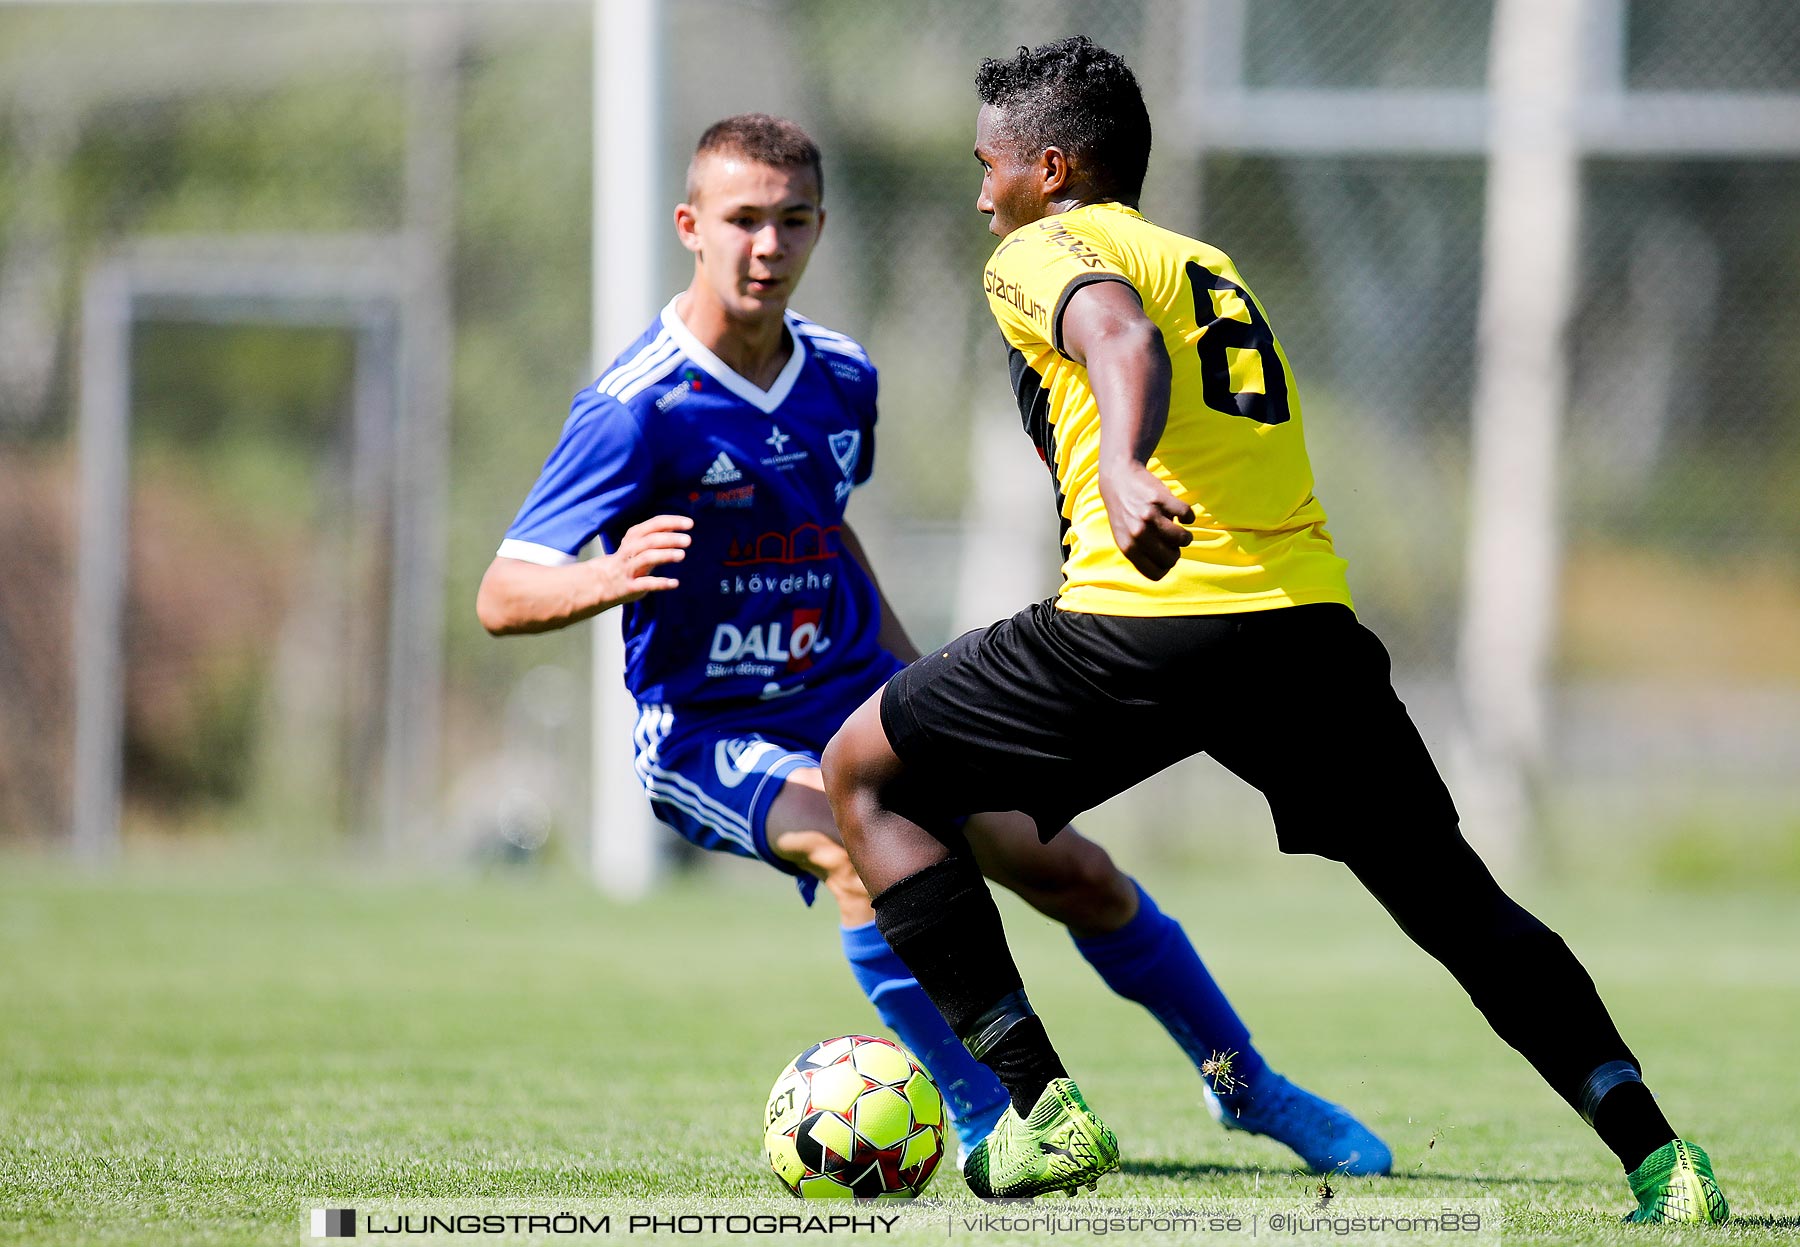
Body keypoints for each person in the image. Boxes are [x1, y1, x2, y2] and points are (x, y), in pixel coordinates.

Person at [820, 38, 1730, 1221]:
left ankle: (1041, 1106)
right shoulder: (1208, 261)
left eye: (989, 166)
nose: (979, 192)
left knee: (864, 776)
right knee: (1455, 901)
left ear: (1050, 170)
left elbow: (1116, 339)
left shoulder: (1048, 249)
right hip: (1304, 632)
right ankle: (1661, 1154)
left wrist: (1129, 471)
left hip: (1144, 619)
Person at [478, 113, 1392, 1181]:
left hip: (851, 690)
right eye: (742, 222)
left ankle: (1249, 1088)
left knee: (1074, 870)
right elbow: (503, 592)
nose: (767, 246)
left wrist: (917, 685)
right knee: (853, 853)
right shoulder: (636, 410)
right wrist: (608, 575)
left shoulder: (842, 376)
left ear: (818, 227)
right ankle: (989, 1118)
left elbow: (831, 523)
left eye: (793, 220)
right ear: (690, 225)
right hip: (714, 732)